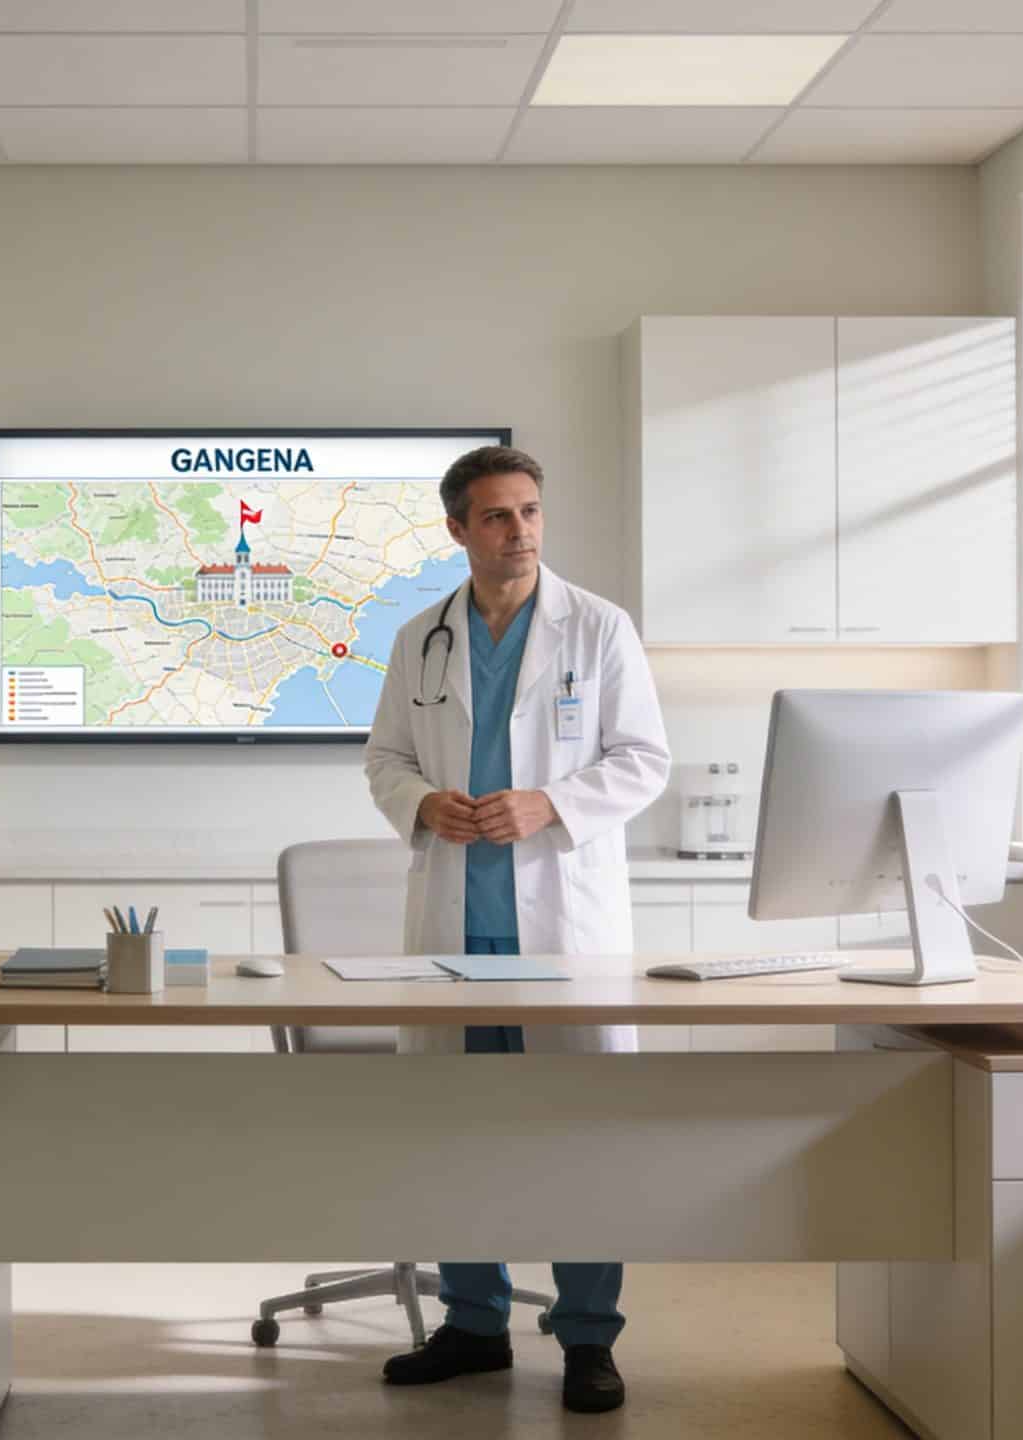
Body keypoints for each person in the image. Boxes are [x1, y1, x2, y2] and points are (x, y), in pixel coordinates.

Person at [361, 444, 672, 1416]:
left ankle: (587, 1338)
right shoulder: (422, 637)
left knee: (582, 1136)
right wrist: (420, 804)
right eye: (497, 517)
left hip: (561, 928)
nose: (520, 532)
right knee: (459, 1132)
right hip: (456, 931)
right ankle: (472, 1322)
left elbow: (643, 759)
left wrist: (551, 804)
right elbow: (384, 759)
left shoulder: (599, 628)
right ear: (456, 529)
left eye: (531, 511)